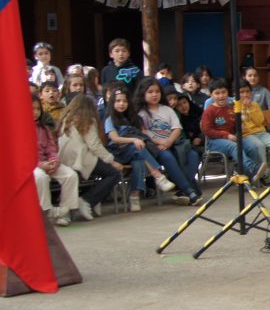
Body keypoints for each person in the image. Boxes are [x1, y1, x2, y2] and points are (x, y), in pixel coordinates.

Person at [104, 87, 178, 212]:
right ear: (112, 103)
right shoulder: (109, 119)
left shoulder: (133, 118)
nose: (121, 104)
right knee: (137, 147)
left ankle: (135, 195)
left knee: (138, 161)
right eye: (118, 101)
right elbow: (115, 138)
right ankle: (157, 175)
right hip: (118, 153)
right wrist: (133, 140)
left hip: (135, 152)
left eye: (125, 101)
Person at [57, 91, 123, 220]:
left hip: (64, 159)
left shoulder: (65, 118)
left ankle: (91, 202)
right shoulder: (87, 119)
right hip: (80, 158)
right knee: (113, 174)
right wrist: (111, 160)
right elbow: (94, 145)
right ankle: (87, 200)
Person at [135, 78, 201, 204]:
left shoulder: (167, 109)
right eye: (150, 92)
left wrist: (169, 141)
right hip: (155, 146)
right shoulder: (141, 113)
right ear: (143, 94)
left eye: (157, 91)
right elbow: (144, 133)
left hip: (173, 143)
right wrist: (161, 142)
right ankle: (190, 192)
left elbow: (177, 128)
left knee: (193, 155)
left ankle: (182, 191)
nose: (154, 95)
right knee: (167, 156)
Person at [200, 79, 263, 182]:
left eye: (223, 92)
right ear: (211, 95)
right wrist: (226, 135)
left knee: (252, 147)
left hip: (232, 137)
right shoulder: (209, 111)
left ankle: (250, 178)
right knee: (234, 146)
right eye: (217, 93)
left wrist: (239, 128)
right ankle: (252, 168)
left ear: (227, 93)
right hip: (214, 141)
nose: (221, 96)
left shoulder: (231, 108)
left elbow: (236, 125)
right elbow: (207, 130)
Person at [33, 93, 79, 227]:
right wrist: (41, 165)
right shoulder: (18, 130)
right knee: (40, 177)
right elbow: (20, 156)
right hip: (31, 165)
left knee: (70, 175)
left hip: (47, 162)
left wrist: (54, 161)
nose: (35, 112)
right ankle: (47, 211)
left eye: (37, 109)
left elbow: (51, 148)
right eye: (31, 109)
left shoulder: (44, 129)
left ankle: (64, 212)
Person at [236, 79, 270, 183]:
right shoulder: (235, 106)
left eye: (247, 91)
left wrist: (250, 108)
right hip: (247, 135)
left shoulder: (255, 105)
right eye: (242, 92)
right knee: (260, 146)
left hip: (260, 132)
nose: (245, 94)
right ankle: (263, 176)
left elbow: (260, 121)